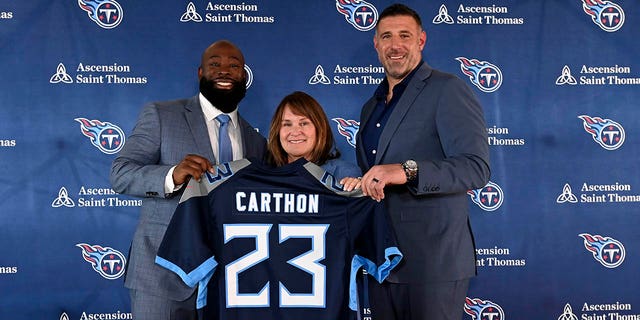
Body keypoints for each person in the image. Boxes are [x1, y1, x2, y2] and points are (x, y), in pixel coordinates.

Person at [110, 40, 267, 320]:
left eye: (234, 66)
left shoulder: (255, 141)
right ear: (200, 73)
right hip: (161, 276)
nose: (224, 71)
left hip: (227, 280)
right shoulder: (162, 115)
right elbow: (121, 174)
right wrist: (171, 175)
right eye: (215, 64)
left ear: (244, 76)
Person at [355, 4, 491, 320]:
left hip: (433, 262)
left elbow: (475, 167)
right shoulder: (370, 108)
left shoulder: (447, 89)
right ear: (376, 44)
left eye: (405, 35)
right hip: (382, 261)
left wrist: (406, 171)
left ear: (422, 40)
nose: (395, 45)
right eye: (386, 36)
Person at [266, 91, 361, 183]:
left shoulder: (345, 174)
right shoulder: (265, 174)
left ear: (320, 129)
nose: (295, 132)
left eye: (304, 123)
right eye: (287, 124)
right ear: (277, 131)